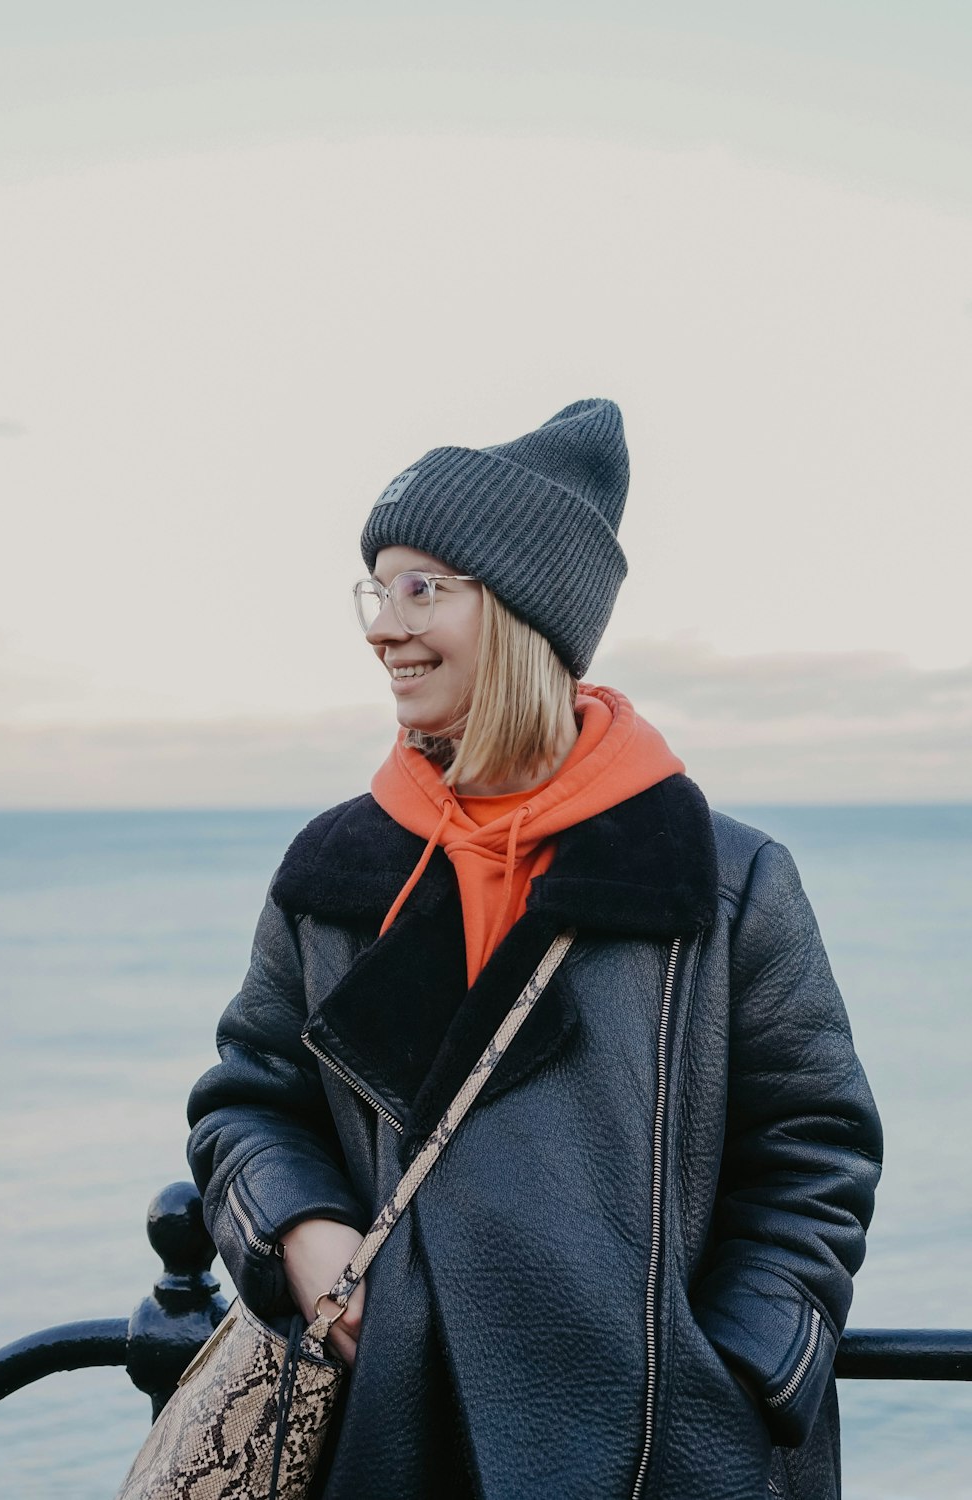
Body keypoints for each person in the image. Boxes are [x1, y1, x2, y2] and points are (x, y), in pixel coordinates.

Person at [187, 399, 882, 1500]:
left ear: (520, 612)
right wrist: (298, 1232)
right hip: (393, 1443)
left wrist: (737, 1377)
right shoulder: (338, 868)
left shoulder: (719, 880)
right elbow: (246, 1102)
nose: (381, 624)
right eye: (379, 588)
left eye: (425, 589)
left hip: (655, 1460)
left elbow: (814, 1152)